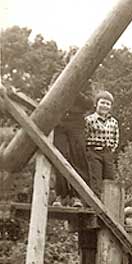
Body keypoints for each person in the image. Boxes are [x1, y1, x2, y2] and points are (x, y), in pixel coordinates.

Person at [51, 47, 93, 207]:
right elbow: (51, 97)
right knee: (60, 156)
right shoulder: (57, 77)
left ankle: (77, 197)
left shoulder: (86, 80)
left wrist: (75, 92)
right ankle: (61, 196)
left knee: (78, 157)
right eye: (72, 58)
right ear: (67, 60)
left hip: (76, 122)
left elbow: (90, 103)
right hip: (59, 121)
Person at [85, 90, 119, 195]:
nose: (105, 106)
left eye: (108, 104)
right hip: (93, 152)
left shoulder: (113, 122)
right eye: (102, 103)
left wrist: (111, 150)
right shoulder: (89, 120)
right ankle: (95, 204)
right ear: (96, 104)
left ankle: (108, 203)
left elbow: (115, 137)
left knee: (109, 178)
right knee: (96, 178)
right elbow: (85, 136)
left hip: (107, 153)